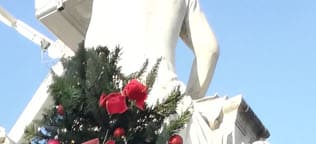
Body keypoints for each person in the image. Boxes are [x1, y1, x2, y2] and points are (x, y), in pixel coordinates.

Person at [82, 0, 219, 102]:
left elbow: (92, 47)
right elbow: (210, 50)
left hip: (112, 97)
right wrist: (189, 100)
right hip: (165, 97)